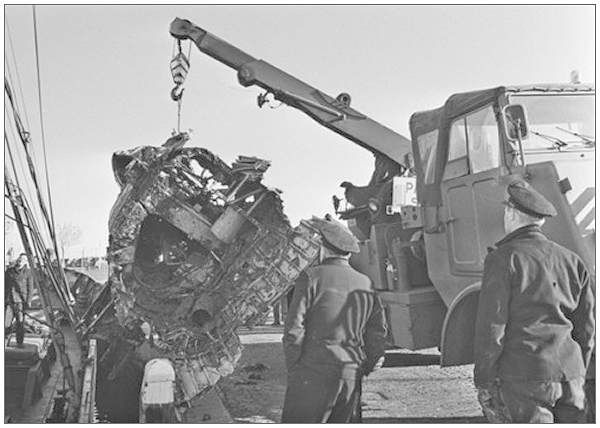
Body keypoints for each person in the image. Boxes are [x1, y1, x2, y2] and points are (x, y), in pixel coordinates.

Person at [474, 180, 594, 423]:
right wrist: (578, 369)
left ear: (511, 213)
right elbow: (587, 329)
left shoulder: (503, 259)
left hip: (525, 376)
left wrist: (484, 379)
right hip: (571, 375)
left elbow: (492, 327)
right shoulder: (572, 260)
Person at [281, 215, 387, 423]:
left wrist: (296, 368)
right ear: (348, 253)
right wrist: (364, 367)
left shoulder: (310, 278)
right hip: (350, 375)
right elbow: (377, 332)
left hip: (312, 373)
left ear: (322, 247)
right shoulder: (366, 283)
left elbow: (294, 329)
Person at [4, 253, 34, 346]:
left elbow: (30, 288)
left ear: (25, 262)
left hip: (21, 302)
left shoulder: (28, 273)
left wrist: (28, 301)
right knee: (6, 323)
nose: (20, 261)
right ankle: (5, 342)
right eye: (19, 259)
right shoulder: (9, 271)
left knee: (20, 324)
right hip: (10, 301)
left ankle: (19, 343)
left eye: (22, 260)